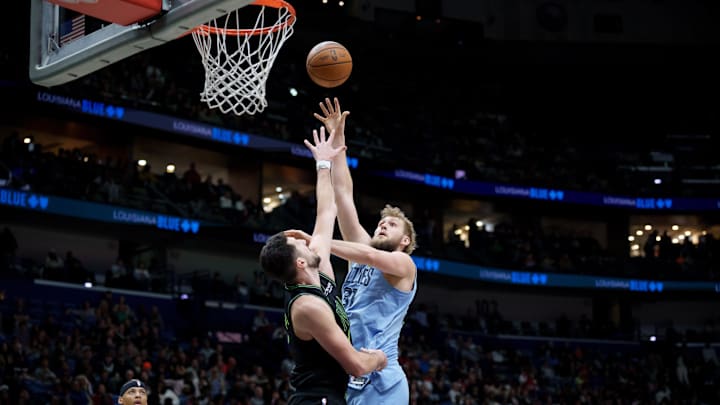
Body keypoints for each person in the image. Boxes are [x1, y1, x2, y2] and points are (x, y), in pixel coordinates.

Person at [259, 126, 387, 405]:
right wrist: (379, 358)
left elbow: (326, 210)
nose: (307, 240)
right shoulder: (307, 305)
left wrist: (323, 163)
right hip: (315, 399)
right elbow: (355, 364)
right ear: (300, 262)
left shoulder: (318, 271)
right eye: (300, 245)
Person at [312, 97, 418, 404]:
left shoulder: (403, 264)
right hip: (350, 371)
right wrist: (338, 140)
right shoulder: (362, 247)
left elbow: (371, 256)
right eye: (381, 222)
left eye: (392, 225)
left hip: (382, 377)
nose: (383, 225)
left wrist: (318, 240)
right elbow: (344, 194)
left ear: (405, 241)